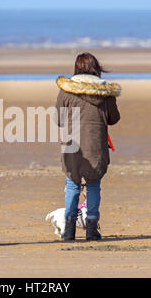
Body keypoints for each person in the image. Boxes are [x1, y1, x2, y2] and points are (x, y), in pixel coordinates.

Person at [55, 52, 120, 241]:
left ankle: (69, 230)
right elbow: (113, 118)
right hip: (96, 145)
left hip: (72, 145)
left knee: (72, 184)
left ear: (77, 68)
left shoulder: (66, 90)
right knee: (93, 185)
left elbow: (58, 119)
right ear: (96, 68)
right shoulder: (106, 92)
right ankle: (92, 229)